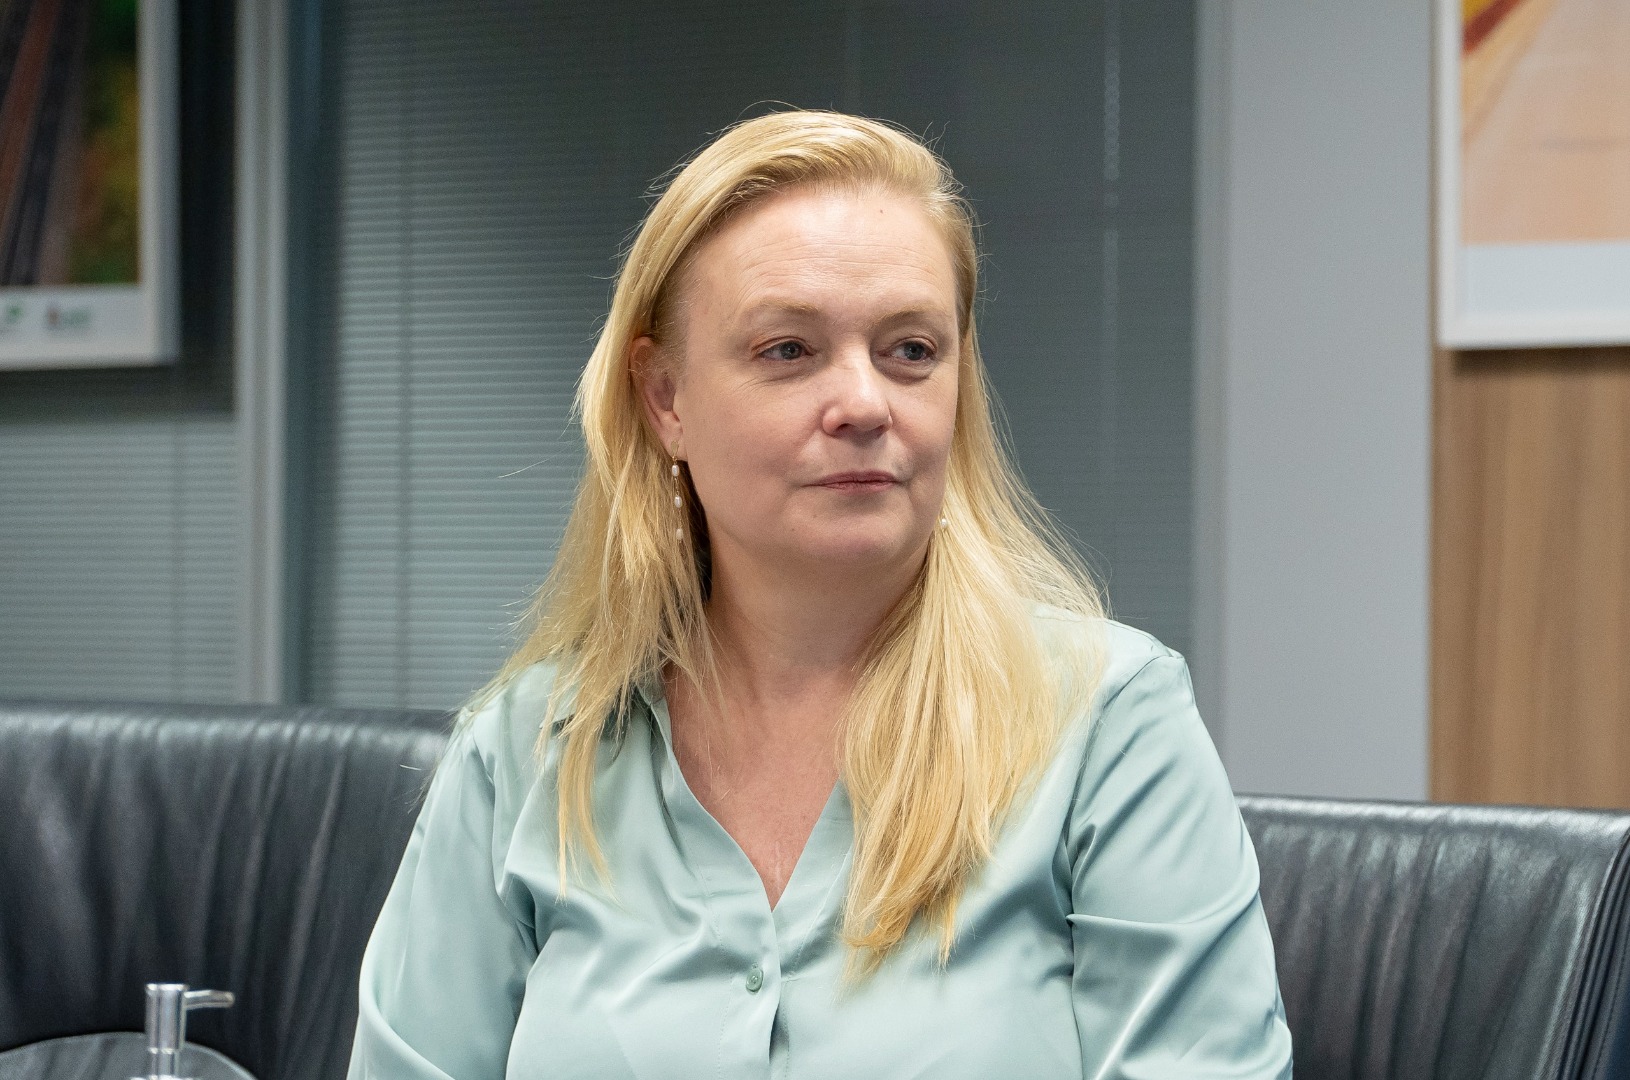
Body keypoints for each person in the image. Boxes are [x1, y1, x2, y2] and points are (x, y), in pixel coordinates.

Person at [346, 109, 1293, 1079]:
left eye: (910, 350)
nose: (865, 404)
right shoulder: (527, 749)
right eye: (788, 351)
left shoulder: (1105, 722)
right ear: (665, 399)